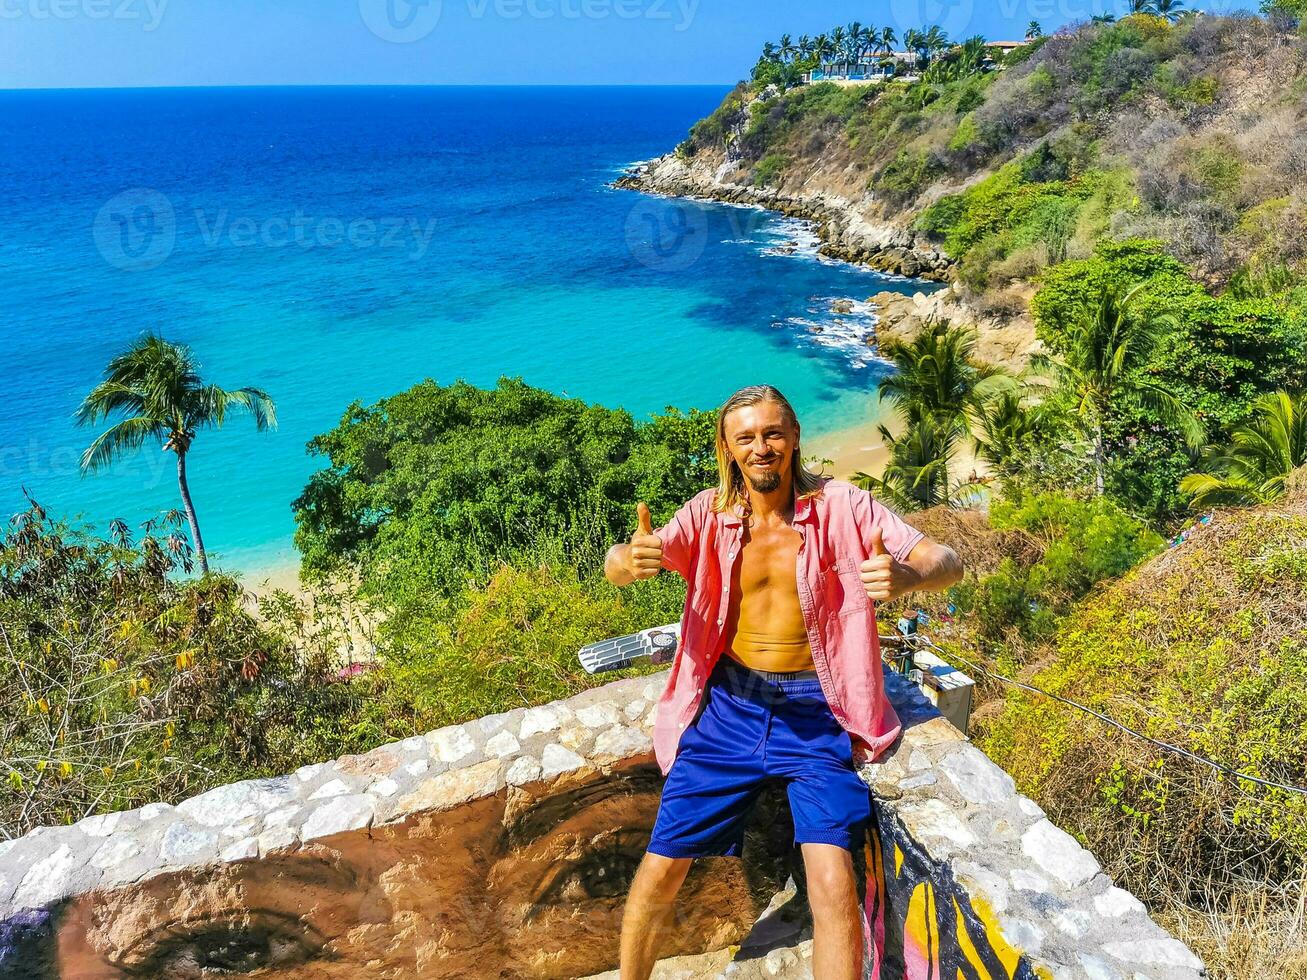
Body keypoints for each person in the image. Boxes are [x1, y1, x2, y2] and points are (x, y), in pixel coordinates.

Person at [604, 384, 964, 980]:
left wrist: (907, 576)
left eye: (773, 433)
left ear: (795, 438)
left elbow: (946, 560)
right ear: (728, 447)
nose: (761, 447)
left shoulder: (846, 506)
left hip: (818, 711)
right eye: (745, 437)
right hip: (728, 707)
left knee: (831, 883)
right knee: (662, 866)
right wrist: (625, 558)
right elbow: (632, 557)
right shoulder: (708, 514)